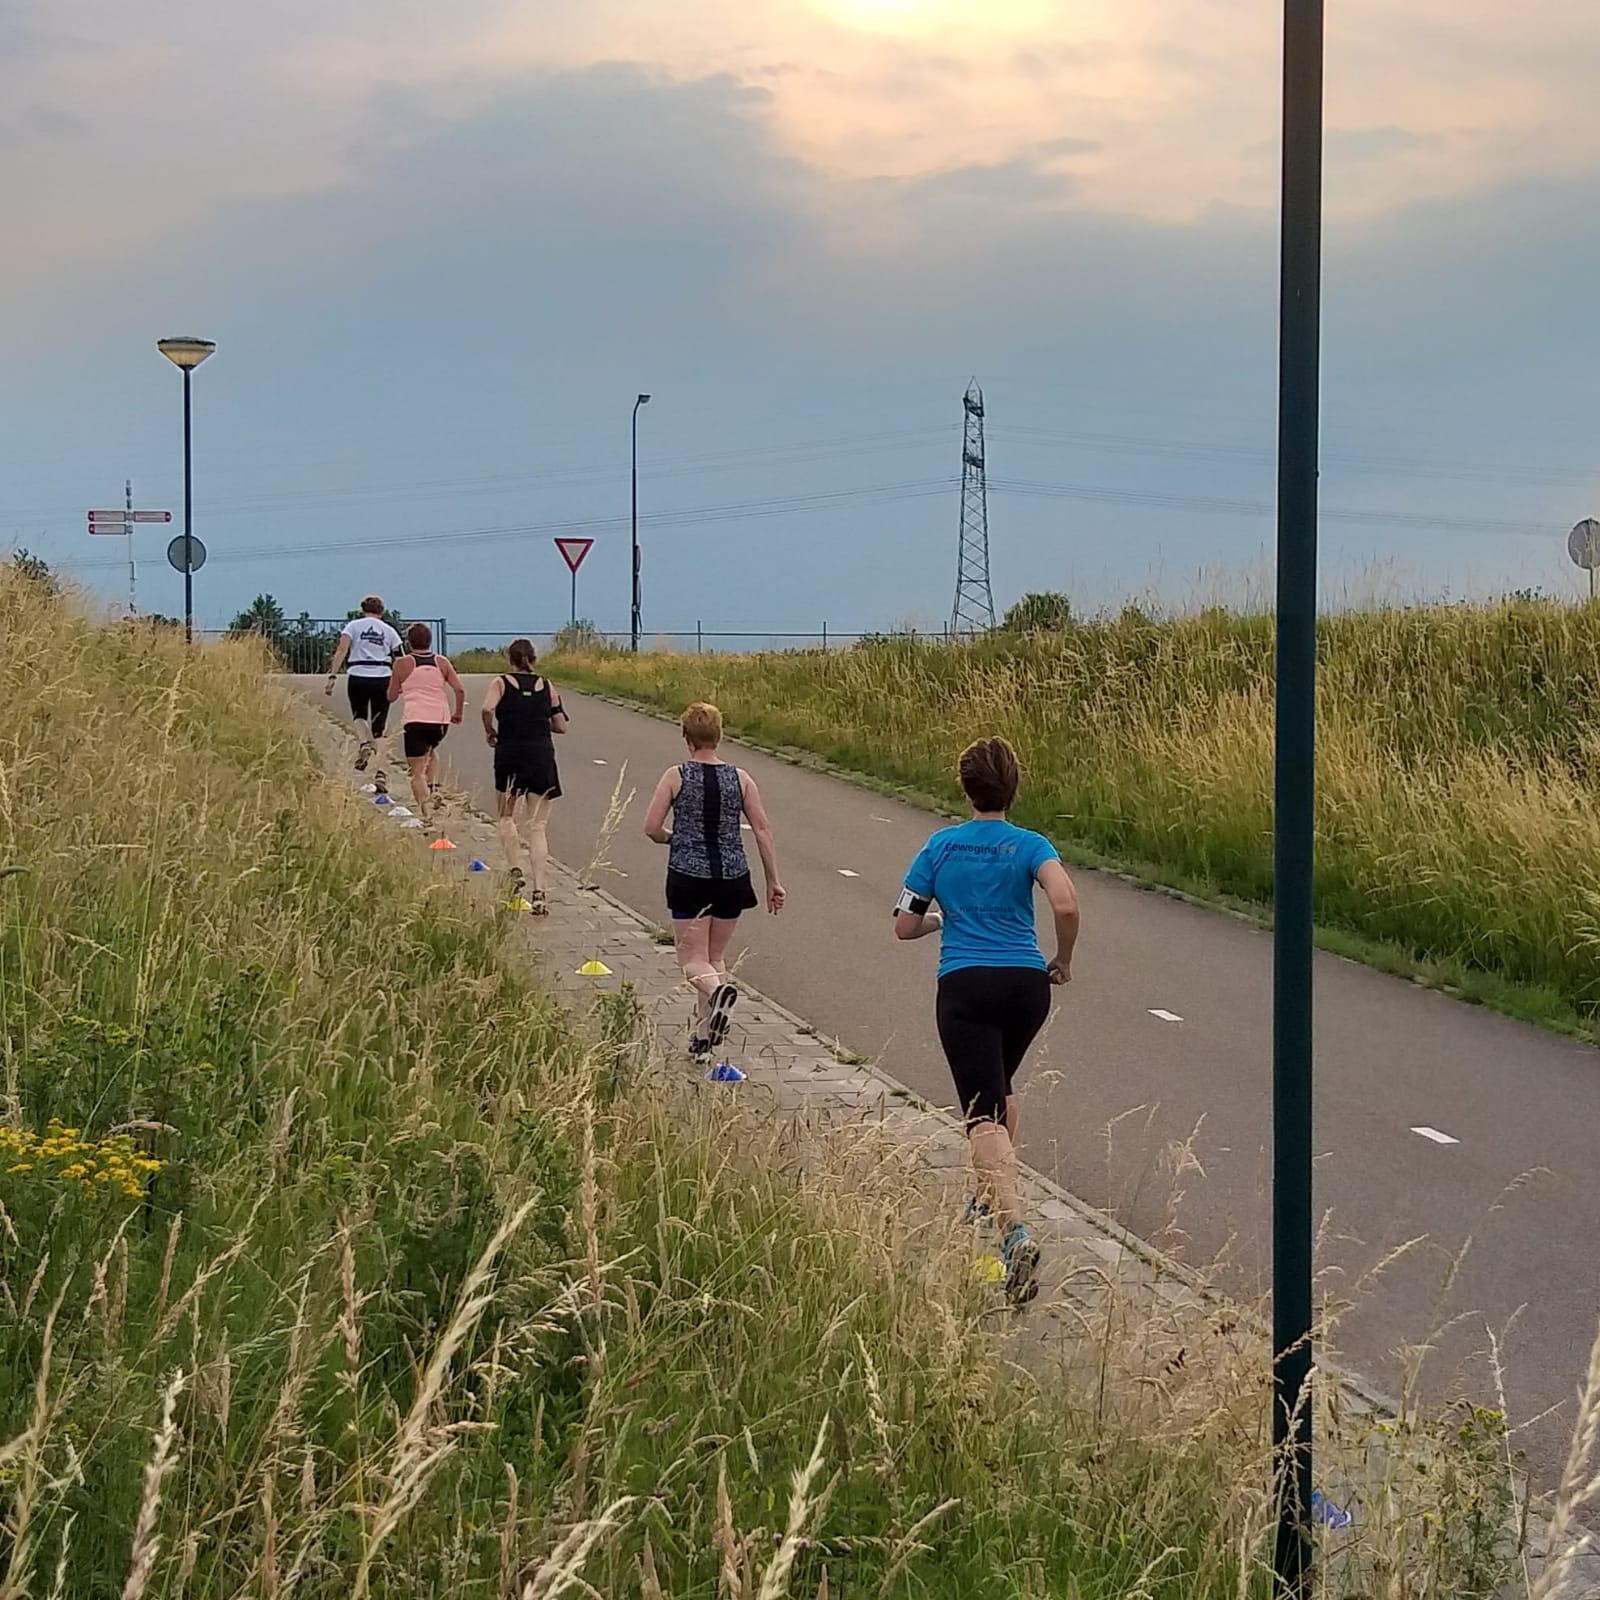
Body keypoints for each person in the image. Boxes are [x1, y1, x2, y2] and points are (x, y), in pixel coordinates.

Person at [893, 736, 1079, 1307]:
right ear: (1013, 787)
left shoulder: (940, 846)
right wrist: (1063, 958)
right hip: (1026, 984)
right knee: (1001, 1087)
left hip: (966, 986)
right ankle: (987, 1193)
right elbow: (1066, 903)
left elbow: (903, 924)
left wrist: (942, 922)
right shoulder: (1031, 845)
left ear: (965, 788)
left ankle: (1014, 1232)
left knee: (981, 1116)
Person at [643, 702, 785, 1060]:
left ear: (686, 737)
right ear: (719, 736)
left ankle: (718, 993)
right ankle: (704, 1038)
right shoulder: (742, 779)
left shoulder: (675, 776)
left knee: (692, 961)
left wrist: (671, 839)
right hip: (732, 877)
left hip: (689, 876)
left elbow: (651, 827)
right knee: (715, 956)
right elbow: (763, 830)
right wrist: (773, 881)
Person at [481, 639, 568, 916]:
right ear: (533, 659)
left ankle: (514, 868)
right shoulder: (547, 685)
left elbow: (487, 708)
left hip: (510, 752)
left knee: (506, 816)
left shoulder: (501, 683)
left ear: (510, 659)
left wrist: (490, 731)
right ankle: (540, 890)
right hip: (540, 755)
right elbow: (561, 725)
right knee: (538, 826)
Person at [386, 622, 465, 822]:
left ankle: (426, 813)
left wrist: (402, 687)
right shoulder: (442, 662)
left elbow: (391, 696)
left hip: (415, 718)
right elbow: (459, 689)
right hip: (440, 720)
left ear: (409, 642)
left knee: (416, 772)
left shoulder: (402, 663)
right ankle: (433, 786)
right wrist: (458, 712)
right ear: (430, 641)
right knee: (430, 749)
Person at [324, 596, 402, 779]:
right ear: (382, 611)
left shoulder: (353, 626)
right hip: (382, 676)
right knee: (379, 726)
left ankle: (364, 743)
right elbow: (400, 657)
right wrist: (401, 682)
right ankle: (381, 771)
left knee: (359, 715)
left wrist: (333, 676)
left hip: (358, 674)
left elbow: (341, 650)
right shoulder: (389, 630)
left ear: (363, 609)